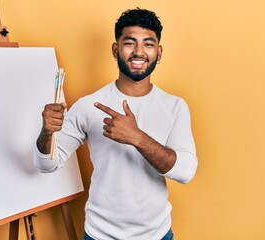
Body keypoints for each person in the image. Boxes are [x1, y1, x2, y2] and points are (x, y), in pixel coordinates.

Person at [34, 8, 197, 240]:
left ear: (158, 53)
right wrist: (47, 132)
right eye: (130, 43)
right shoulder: (89, 105)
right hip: (100, 234)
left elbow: (185, 171)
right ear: (115, 49)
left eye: (148, 44)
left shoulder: (175, 106)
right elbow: (46, 165)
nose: (139, 51)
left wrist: (136, 137)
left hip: (156, 234)